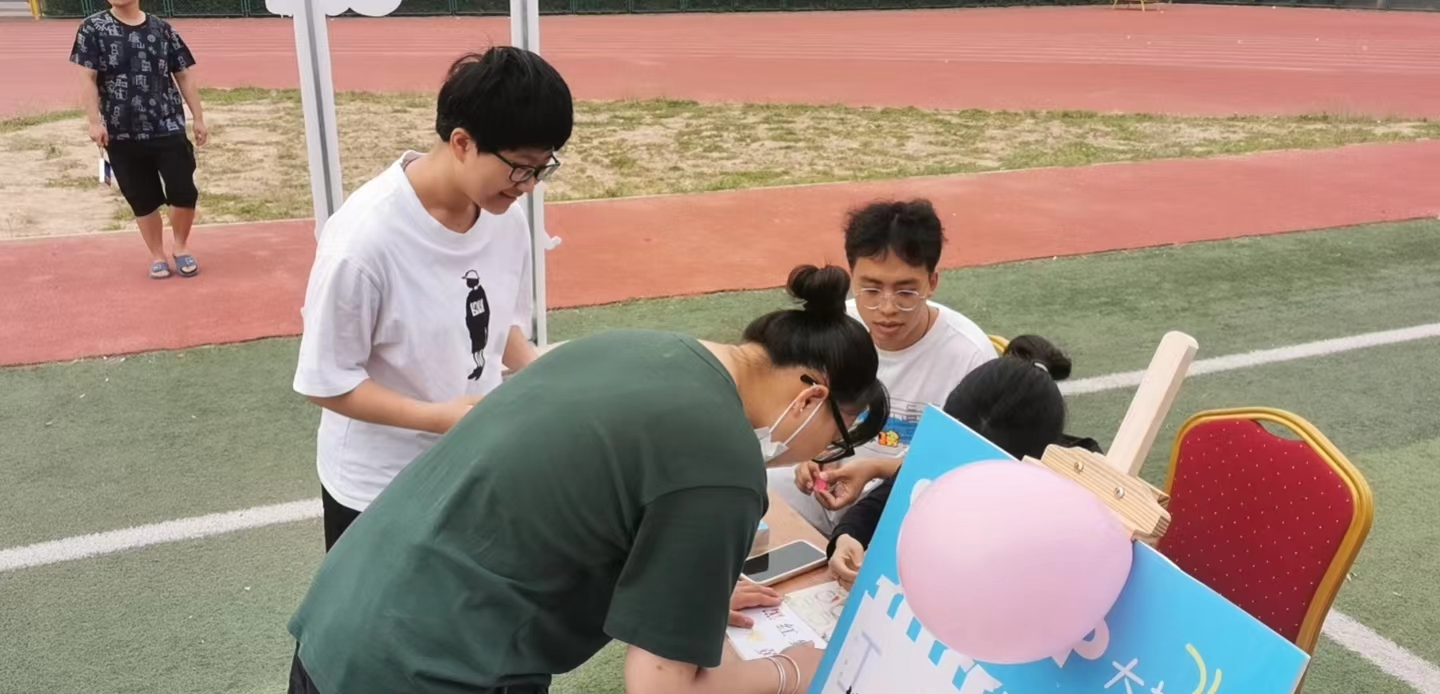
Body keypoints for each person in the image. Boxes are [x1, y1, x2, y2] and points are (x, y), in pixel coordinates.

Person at [285, 264, 891, 694]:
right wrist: (794, 669)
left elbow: (576, 508)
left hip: (344, 619)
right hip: (436, 669)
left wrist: (688, 593)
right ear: (811, 397)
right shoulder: (723, 464)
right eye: (837, 436)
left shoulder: (637, 345)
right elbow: (661, 686)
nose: (825, 454)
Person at [292, 47, 572, 551]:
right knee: (375, 605)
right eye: (520, 168)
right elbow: (325, 381)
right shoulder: (363, 241)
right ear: (462, 143)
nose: (529, 187)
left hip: (472, 464)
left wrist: (539, 373)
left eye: (542, 169)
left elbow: (500, 327)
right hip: (378, 491)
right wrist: (441, 418)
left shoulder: (505, 218)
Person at [768, 199, 996, 534]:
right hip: (821, 489)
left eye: (906, 292)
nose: (887, 308)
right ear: (852, 279)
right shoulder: (835, 327)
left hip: (901, 501)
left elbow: (966, 468)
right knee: (754, 481)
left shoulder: (970, 357)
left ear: (932, 282)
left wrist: (875, 469)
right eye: (871, 289)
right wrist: (808, 455)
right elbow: (796, 414)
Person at [825, 335, 1103, 590]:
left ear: (1029, 461)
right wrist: (847, 538)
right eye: (960, 449)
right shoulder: (946, 446)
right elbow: (881, 502)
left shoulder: (1075, 496)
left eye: (982, 467)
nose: (963, 468)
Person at [70, 0, 208, 280]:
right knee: (142, 198)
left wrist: (199, 117)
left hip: (167, 124)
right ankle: (157, 255)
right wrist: (94, 122)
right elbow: (87, 77)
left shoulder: (162, 29)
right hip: (121, 131)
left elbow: (183, 74)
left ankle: (180, 247)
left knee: (183, 190)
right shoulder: (92, 28)